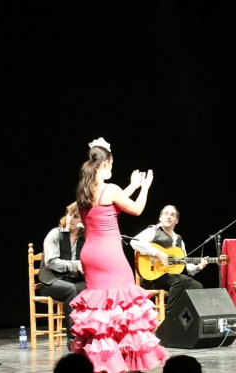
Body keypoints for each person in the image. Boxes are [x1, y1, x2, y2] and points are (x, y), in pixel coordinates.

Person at [68, 137, 167, 372]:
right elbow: (136, 209)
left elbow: (109, 209)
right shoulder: (110, 189)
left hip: (90, 254)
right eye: (112, 163)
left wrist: (130, 187)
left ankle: (99, 360)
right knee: (122, 304)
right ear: (107, 163)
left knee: (100, 309)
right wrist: (144, 187)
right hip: (109, 254)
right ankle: (119, 362)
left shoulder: (84, 190)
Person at [131, 205, 208, 314]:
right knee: (181, 280)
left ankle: (184, 318)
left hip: (170, 278)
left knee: (197, 286)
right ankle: (170, 318)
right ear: (160, 217)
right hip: (152, 278)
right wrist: (157, 253)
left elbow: (186, 265)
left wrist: (197, 267)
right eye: (166, 214)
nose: (169, 217)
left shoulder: (179, 240)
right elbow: (134, 242)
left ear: (176, 220)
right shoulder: (153, 231)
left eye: (172, 215)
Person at [39, 201, 86, 350]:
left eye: (76, 216)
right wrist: (75, 264)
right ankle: (73, 338)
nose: (71, 219)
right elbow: (51, 262)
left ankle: (89, 334)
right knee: (72, 290)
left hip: (73, 279)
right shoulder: (55, 234)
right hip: (51, 281)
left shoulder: (85, 238)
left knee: (91, 288)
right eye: (70, 214)